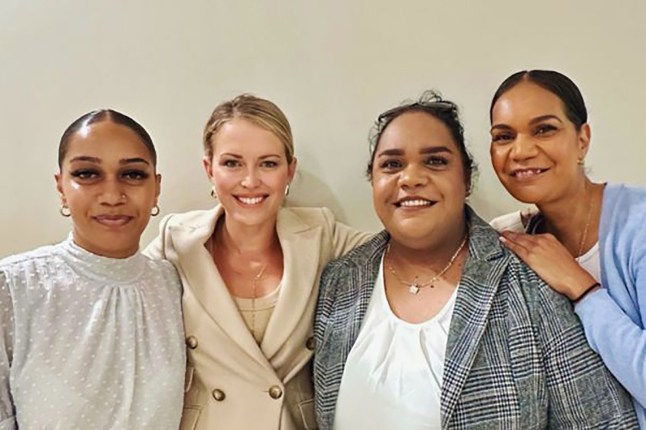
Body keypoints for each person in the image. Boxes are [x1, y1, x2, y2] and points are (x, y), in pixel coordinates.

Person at [313, 91, 638, 429]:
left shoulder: (527, 281)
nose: (410, 179)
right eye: (392, 164)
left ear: (466, 179)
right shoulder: (341, 280)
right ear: (373, 180)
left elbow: (604, 422)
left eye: (435, 161)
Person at [145, 94, 369, 429]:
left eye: (268, 163)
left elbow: (404, 251)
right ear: (209, 169)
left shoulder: (321, 234)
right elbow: (115, 289)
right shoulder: (175, 240)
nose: (250, 181)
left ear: (289, 170)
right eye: (232, 163)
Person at [0, 109, 185, 429]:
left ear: (156, 187)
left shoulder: (175, 286)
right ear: (61, 187)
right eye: (87, 174)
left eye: (133, 174)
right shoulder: (15, 288)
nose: (112, 195)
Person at [489, 69, 646, 428]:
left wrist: (584, 290)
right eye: (504, 136)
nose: (522, 150)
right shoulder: (513, 240)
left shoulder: (638, 223)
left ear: (582, 139)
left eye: (544, 129)